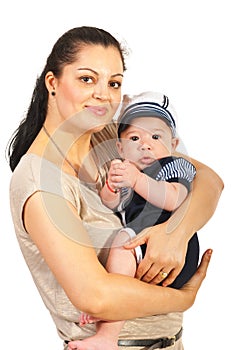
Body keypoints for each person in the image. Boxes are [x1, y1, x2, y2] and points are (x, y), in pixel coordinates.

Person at [7, 26, 222, 350]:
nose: (104, 94)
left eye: (114, 83)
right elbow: (95, 296)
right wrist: (181, 298)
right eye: (87, 79)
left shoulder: (114, 141)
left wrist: (174, 234)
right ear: (53, 83)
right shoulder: (40, 180)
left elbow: (209, 181)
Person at [68, 92, 199, 350]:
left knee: (122, 244)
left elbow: (174, 198)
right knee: (121, 252)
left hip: (175, 251)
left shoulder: (173, 166)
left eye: (156, 137)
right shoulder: (130, 171)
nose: (145, 145)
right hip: (145, 249)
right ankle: (110, 316)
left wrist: (138, 181)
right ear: (120, 148)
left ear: (173, 144)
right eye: (134, 138)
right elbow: (113, 205)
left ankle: (108, 334)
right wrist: (112, 187)